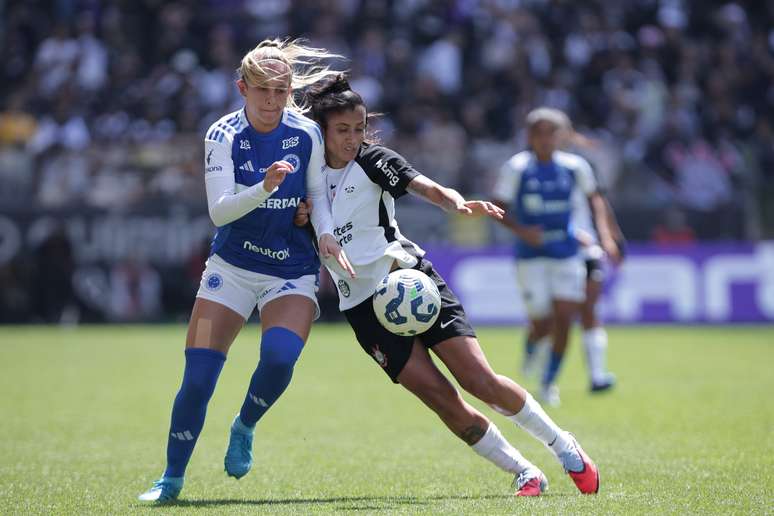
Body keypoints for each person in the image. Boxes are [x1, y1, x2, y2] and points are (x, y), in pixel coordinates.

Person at [301, 76, 600, 497]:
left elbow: (420, 183)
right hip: (364, 309)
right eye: (342, 130)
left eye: (359, 128)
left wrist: (453, 201)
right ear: (322, 130)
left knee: (479, 380)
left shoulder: (373, 161)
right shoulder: (304, 176)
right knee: (441, 399)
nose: (352, 139)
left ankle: (563, 446)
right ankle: (525, 472)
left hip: (409, 280)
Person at [138, 39, 354, 503]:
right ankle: (171, 479)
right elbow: (220, 212)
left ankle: (245, 425)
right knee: (197, 379)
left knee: (279, 358)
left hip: (290, 270)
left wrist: (326, 235)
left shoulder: (306, 134)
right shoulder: (222, 135)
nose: (273, 101)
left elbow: (318, 198)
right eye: (263, 91)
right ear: (242, 88)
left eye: (281, 91)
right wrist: (265, 187)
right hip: (232, 268)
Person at [491, 107, 618, 406]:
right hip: (530, 256)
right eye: (540, 133)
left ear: (561, 137)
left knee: (565, 316)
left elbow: (592, 200)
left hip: (567, 254)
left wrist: (602, 235)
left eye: (552, 133)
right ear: (530, 136)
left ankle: (548, 382)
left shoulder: (575, 167)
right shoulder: (517, 168)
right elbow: (497, 207)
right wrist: (523, 231)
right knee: (542, 322)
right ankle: (532, 345)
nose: (546, 139)